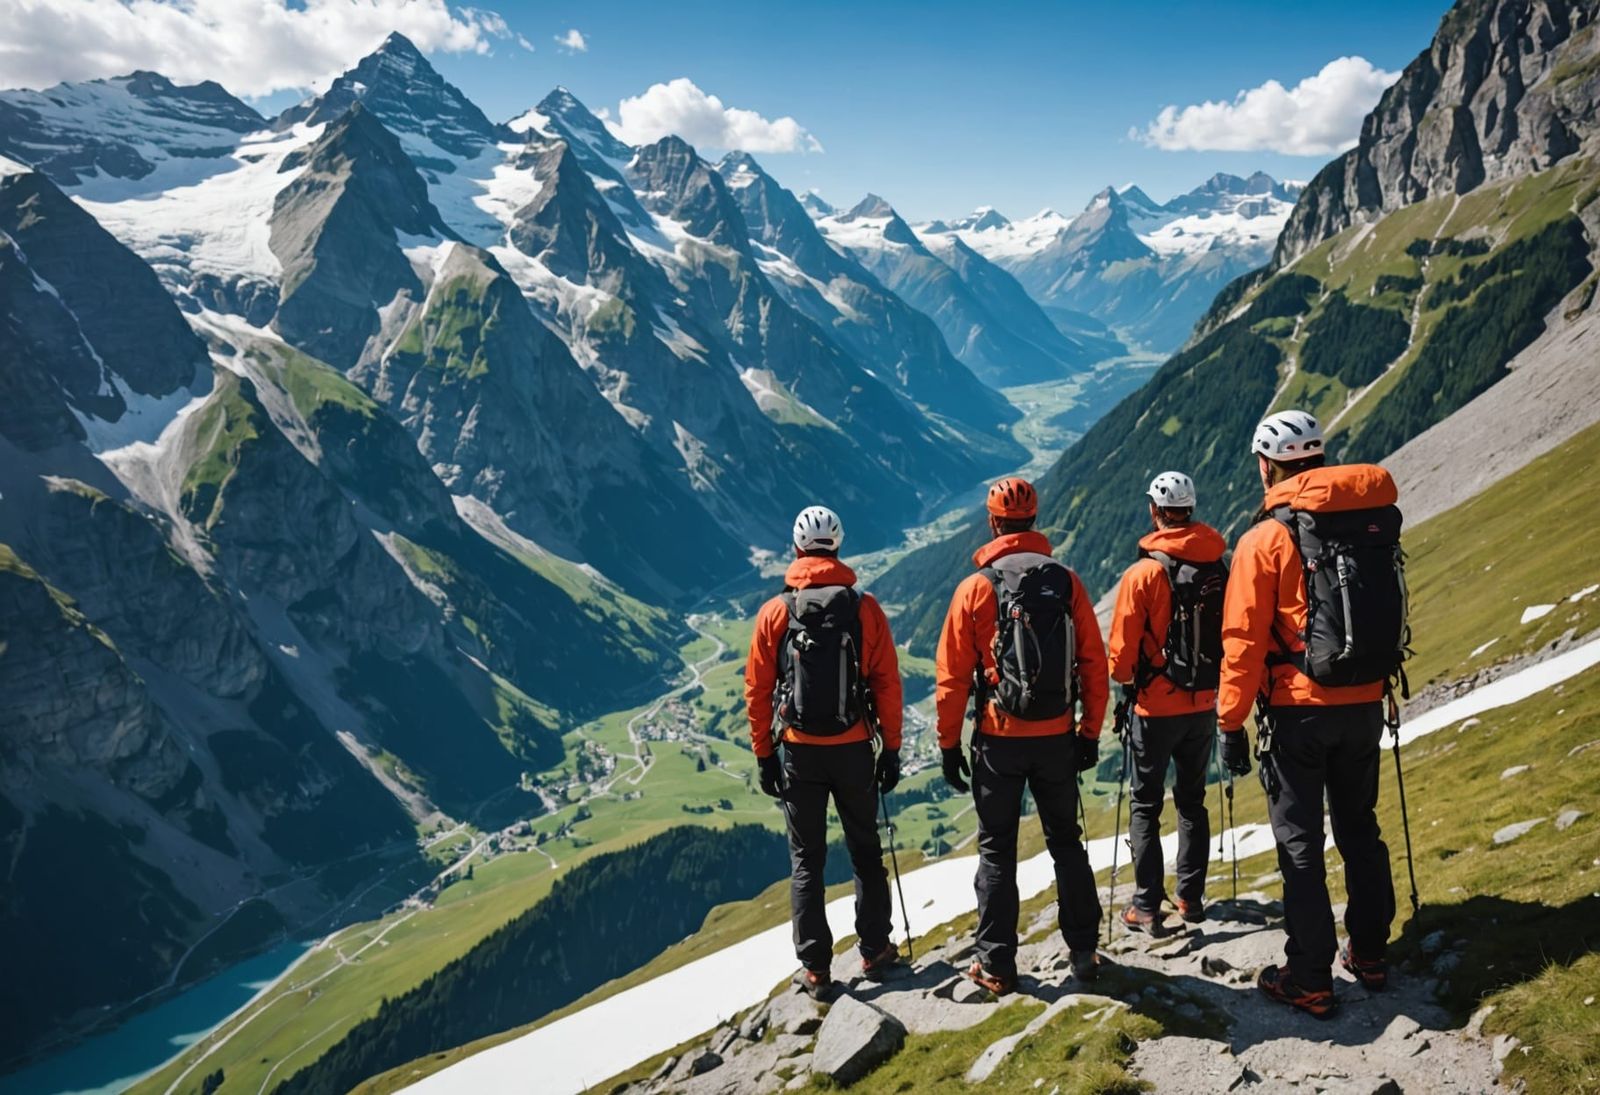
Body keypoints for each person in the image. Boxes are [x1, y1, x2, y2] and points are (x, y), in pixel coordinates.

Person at [1219, 410, 1402, 1019]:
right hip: (1364, 698)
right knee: (1360, 830)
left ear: (1267, 465)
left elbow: (1243, 642)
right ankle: (1371, 953)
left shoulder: (1265, 538)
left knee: (1300, 844)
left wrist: (1229, 723)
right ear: (1318, 459)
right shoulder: (1367, 522)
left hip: (1298, 712)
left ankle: (1310, 977)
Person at [934, 476, 1109, 993]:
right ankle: (1084, 952)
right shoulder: (1067, 581)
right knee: (1067, 844)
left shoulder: (976, 589)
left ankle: (996, 966)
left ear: (993, 523)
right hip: (1056, 737)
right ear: (1034, 521)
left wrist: (948, 745)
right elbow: (1093, 665)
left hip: (998, 738)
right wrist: (1089, 732)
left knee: (996, 852)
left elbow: (950, 677)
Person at [745, 505, 905, 999]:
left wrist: (764, 754)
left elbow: (757, 689)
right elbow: (886, 683)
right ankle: (875, 949)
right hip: (854, 745)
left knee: (806, 860)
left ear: (797, 551)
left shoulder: (777, 612)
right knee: (865, 851)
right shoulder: (865, 608)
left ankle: (816, 968)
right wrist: (891, 749)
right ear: (837, 548)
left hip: (798, 751)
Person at [1108, 471, 1229, 935]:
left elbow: (1120, 657)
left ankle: (1145, 905)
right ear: (1190, 509)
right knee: (1192, 802)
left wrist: (1132, 680)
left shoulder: (1144, 573)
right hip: (1203, 703)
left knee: (1145, 805)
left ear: (1155, 511)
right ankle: (1190, 898)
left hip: (1155, 708)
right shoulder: (1219, 564)